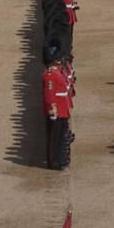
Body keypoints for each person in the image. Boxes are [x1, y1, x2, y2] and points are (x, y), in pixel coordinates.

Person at [41, 38, 72, 170]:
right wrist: (52, 110)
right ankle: (54, 160)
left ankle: (59, 158)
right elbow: (49, 95)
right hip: (57, 109)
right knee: (55, 137)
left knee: (60, 134)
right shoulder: (49, 75)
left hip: (62, 106)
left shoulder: (56, 70)